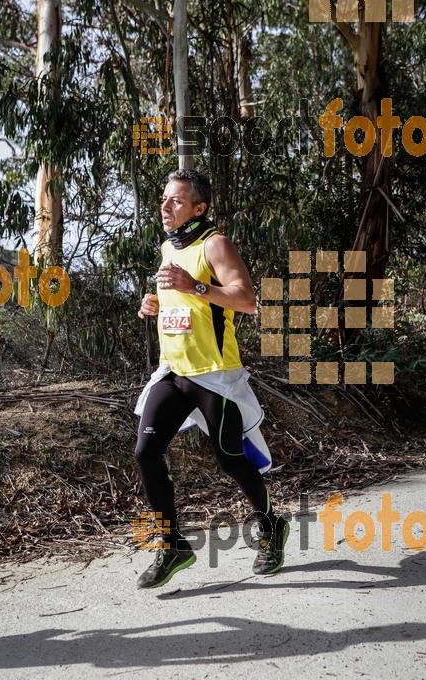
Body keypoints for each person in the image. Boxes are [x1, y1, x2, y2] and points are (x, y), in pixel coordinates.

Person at [134, 169, 289, 589]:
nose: (165, 208)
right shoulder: (169, 246)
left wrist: (197, 286)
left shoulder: (215, 244)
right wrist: (155, 304)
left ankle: (271, 526)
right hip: (173, 372)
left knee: (229, 459)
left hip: (214, 377)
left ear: (199, 208)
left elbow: (246, 300)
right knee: (146, 452)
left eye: (176, 202)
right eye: (164, 200)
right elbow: (182, 304)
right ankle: (173, 545)